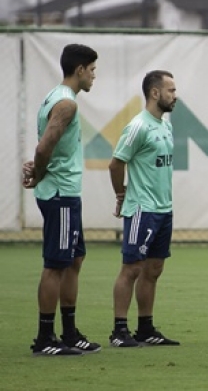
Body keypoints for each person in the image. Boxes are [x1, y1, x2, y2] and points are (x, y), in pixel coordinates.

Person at [22, 43, 101, 356]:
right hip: (60, 194)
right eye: (92, 70)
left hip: (64, 192)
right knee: (56, 265)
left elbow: (45, 151)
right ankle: (45, 338)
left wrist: (39, 168)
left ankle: (69, 333)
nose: (95, 76)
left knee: (74, 259)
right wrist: (40, 173)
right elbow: (44, 148)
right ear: (80, 70)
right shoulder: (67, 104)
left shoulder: (56, 96)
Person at [108, 70, 180, 348]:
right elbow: (116, 163)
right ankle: (119, 330)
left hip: (164, 209)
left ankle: (146, 329)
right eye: (171, 90)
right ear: (154, 93)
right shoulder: (138, 126)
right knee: (132, 268)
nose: (175, 95)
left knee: (154, 269)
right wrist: (121, 194)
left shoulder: (166, 125)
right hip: (142, 209)